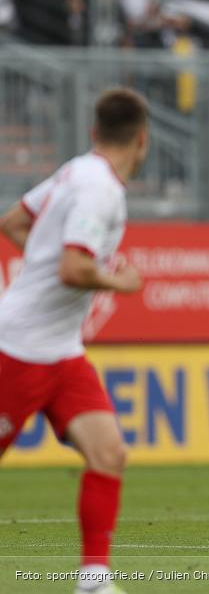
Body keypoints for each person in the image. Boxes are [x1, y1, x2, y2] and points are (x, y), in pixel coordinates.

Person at [0, 88, 149, 594]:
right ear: (143, 141)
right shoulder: (101, 190)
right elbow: (72, 268)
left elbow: (14, 222)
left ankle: (93, 579)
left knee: (108, 452)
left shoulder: (75, 170)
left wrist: (45, 259)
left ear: (94, 132)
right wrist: (118, 282)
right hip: (17, 348)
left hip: (61, 350)